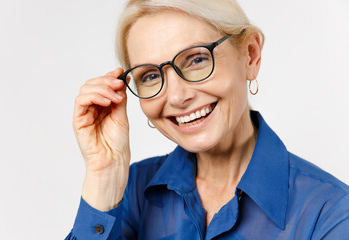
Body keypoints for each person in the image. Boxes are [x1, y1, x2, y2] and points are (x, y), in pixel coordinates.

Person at [66, 0, 349, 239]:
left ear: (250, 55)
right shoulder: (129, 193)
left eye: (197, 59)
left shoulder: (330, 212)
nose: (177, 96)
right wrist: (103, 178)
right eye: (151, 76)